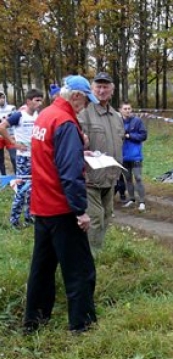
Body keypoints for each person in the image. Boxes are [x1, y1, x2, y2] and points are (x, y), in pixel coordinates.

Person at [24, 75, 98, 334]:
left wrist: (78, 150)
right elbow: (69, 173)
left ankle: (34, 321)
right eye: (86, 100)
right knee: (80, 269)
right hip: (62, 207)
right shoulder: (65, 121)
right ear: (76, 96)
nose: (86, 106)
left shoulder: (45, 115)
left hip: (42, 205)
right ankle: (82, 324)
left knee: (42, 268)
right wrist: (80, 211)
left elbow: (49, 156)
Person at [78, 72, 124, 251]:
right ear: (92, 89)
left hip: (110, 177)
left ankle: (96, 251)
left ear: (112, 90)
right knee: (95, 219)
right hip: (90, 178)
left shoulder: (116, 116)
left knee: (106, 216)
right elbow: (75, 144)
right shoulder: (84, 114)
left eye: (106, 87)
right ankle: (91, 258)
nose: (102, 90)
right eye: (98, 86)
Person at [0, 89, 44, 229]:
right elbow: (2, 127)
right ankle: (14, 220)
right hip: (23, 158)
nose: (39, 103)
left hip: (37, 157)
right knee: (22, 189)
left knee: (34, 188)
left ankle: (29, 217)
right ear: (28, 101)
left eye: (40, 100)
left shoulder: (40, 116)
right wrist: (13, 143)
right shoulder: (19, 115)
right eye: (36, 100)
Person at [120, 102, 148, 212]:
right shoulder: (118, 122)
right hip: (123, 156)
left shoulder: (137, 121)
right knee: (127, 178)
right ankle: (131, 198)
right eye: (125, 108)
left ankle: (142, 201)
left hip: (136, 156)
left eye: (129, 108)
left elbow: (143, 135)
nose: (127, 110)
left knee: (138, 178)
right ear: (120, 110)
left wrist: (129, 136)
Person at [0, 91, 16, 175]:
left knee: (14, 157)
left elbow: (16, 120)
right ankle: (3, 178)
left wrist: (7, 121)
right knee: (0, 159)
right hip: (0, 136)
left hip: (10, 135)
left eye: (2, 97)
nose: (1, 100)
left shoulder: (11, 108)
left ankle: (18, 176)